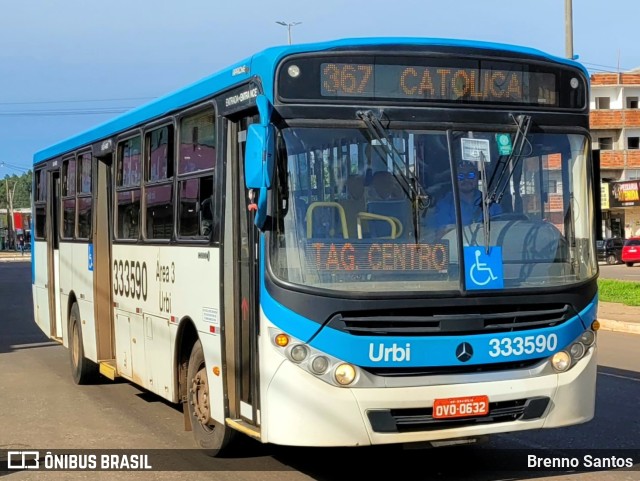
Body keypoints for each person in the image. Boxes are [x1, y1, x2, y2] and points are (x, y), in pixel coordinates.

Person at [426, 161, 501, 231]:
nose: (466, 180)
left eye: (471, 175)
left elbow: (499, 229)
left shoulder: (490, 203)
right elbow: (441, 234)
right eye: (460, 176)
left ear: (477, 177)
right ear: (453, 179)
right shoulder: (444, 205)